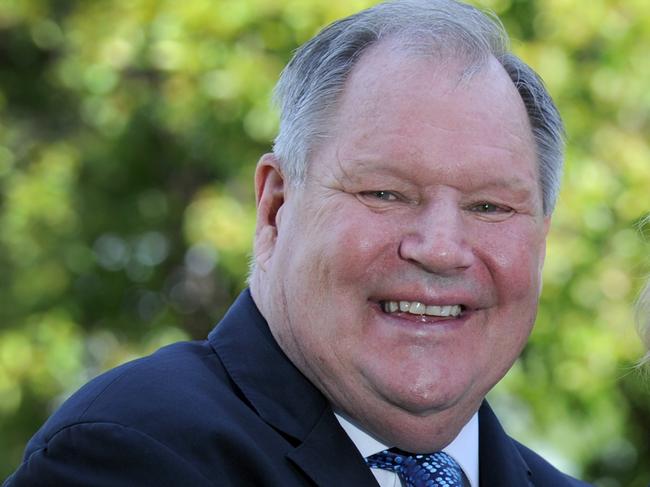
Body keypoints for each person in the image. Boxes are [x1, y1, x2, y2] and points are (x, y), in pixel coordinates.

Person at [4, 0, 591, 486]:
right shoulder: (132, 455)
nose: (439, 249)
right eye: (386, 193)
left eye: (490, 206)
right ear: (275, 207)